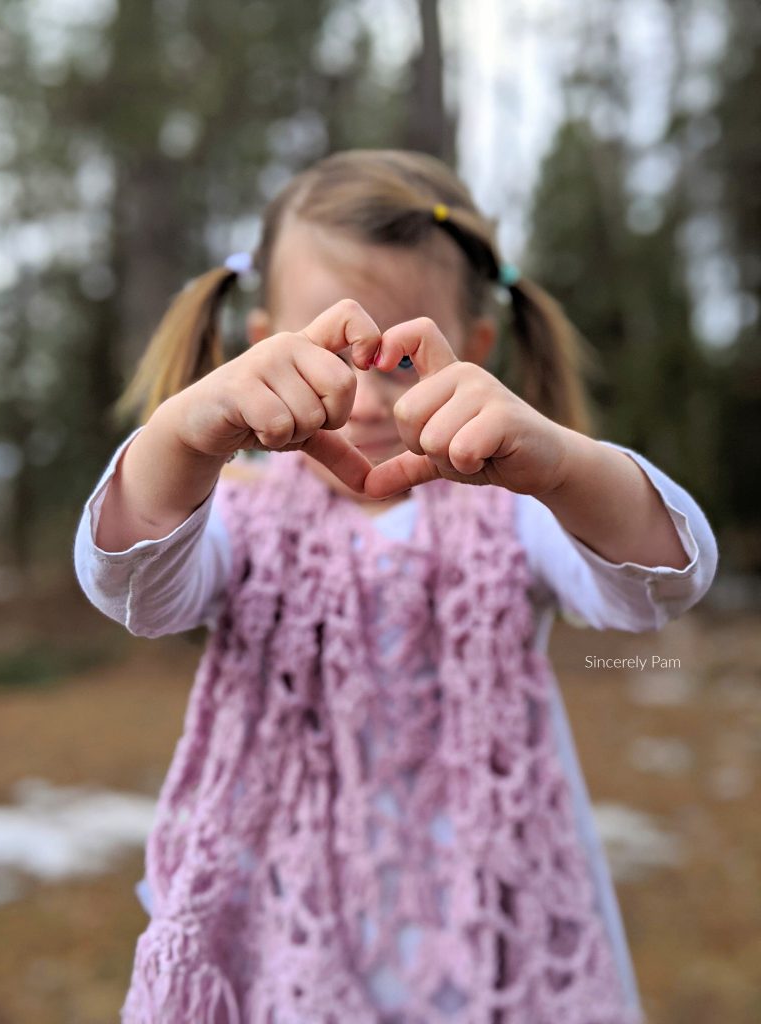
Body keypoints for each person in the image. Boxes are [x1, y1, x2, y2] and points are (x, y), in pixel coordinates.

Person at [74, 149, 717, 1024]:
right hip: (286, 959)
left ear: (475, 353)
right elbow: (136, 587)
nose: (369, 400)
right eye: (335, 359)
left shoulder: (509, 516)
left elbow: (659, 583)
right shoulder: (239, 514)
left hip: (488, 960)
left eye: (401, 361)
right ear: (262, 349)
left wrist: (560, 462)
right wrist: (185, 437)